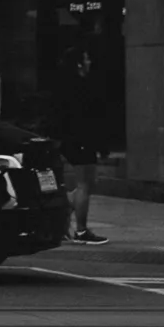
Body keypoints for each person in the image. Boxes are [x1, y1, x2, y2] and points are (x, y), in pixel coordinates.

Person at [49, 42, 108, 245]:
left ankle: (61, 221)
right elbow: (89, 118)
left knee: (84, 184)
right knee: (84, 184)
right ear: (79, 64)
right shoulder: (80, 86)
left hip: (74, 140)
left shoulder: (64, 84)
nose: (89, 62)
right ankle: (81, 230)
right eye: (86, 58)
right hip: (81, 139)